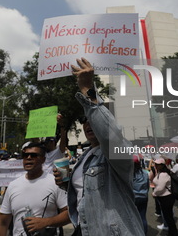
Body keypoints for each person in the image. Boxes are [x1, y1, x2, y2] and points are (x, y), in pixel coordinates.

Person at [54, 58, 144, 235]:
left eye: (92, 119)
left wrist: (88, 89)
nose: (88, 124)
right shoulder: (85, 157)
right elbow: (87, 192)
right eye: (84, 121)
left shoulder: (117, 150)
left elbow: (109, 135)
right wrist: (67, 183)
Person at [0, 142, 69, 236]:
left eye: (34, 155)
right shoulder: (13, 186)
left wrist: (46, 222)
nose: (29, 158)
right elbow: (3, 223)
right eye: (25, 155)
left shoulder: (55, 183)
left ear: (43, 159)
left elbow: (69, 213)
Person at [152, 158, 178, 236]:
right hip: (166, 197)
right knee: (168, 217)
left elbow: (160, 187)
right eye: (155, 164)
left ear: (162, 165)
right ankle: (172, 232)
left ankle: (173, 233)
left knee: (168, 218)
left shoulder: (163, 174)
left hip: (166, 198)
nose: (155, 166)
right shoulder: (163, 173)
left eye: (157, 164)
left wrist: (154, 193)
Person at [132, 155, 149, 235]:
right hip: (144, 197)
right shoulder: (145, 173)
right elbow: (148, 186)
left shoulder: (129, 174)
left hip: (133, 198)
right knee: (143, 217)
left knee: (133, 217)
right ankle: (144, 233)